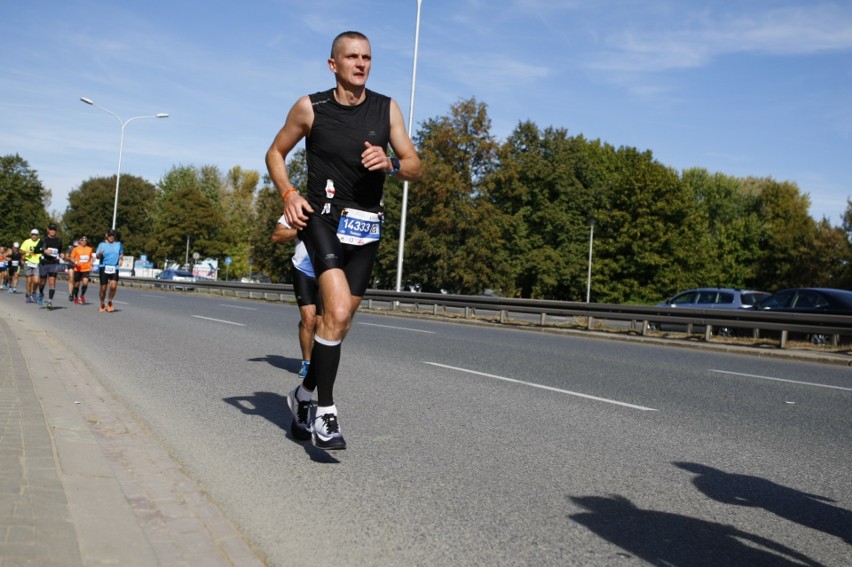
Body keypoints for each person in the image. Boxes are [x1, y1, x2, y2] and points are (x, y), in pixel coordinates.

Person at [266, 30, 421, 449]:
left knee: (339, 323)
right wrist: (289, 193)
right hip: (323, 220)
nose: (361, 64)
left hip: (367, 226)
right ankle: (326, 413)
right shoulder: (310, 107)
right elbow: (274, 153)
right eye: (352, 57)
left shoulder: (386, 109)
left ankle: (301, 395)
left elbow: (414, 164)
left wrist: (391, 162)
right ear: (333, 64)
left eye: (367, 57)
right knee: (330, 310)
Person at [271, 215, 320, 379]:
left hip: (328, 271)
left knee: (321, 323)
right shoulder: (299, 208)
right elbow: (277, 235)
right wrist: (303, 230)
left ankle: (321, 360)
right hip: (303, 269)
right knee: (308, 319)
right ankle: (307, 363)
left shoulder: (339, 204)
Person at [34, 223, 64, 309]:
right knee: (42, 281)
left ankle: (50, 301)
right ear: (48, 230)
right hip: (44, 263)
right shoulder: (44, 240)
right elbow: (36, 250)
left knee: (52, 283)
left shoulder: (59, 241)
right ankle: (41, 293)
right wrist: (44, 251)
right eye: (51, 229)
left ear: (56, 231)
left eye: (54, 230)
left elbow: (60, 251)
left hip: (54, 263)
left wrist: (61, 254)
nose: (52, 231)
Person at [95, 229, 124, 312]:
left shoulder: (118, 244)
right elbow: (97, 256)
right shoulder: (102, 244)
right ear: (106, 235)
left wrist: (121, 259)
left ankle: (110, 301)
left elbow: (121, 253)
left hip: (114, 267)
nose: (112, 237)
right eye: (110, 235)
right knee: (103, 288)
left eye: (113, 235)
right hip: (104, 267)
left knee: (113, 286)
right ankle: (102, 303)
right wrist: (100, 253)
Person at [20, 229, 42, 304]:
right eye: (33, 234)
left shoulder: (40, 242)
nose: (34, 236)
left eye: (36, 235)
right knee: (29, 281)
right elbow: (21, 251)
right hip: (28, 262)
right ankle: (28, 295)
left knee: (36, 281)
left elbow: (44, 250)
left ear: (38, 235)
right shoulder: (26, 241)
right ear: (31, 235)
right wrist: (26, 252)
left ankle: (34, 292)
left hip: (37, 263)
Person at [70, 236, 94, 304]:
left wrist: (91, 263)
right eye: (82, 240)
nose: (84, 242)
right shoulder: (76, 249)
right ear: (79, 241)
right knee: (76, 284)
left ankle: (82, 295)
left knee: (85, 282)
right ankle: (76, 296)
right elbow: (71, 257)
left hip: (86, 269)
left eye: (85, 240)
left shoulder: (90, 249)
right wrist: (76, 262)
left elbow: (91, 257)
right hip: (77, 269)